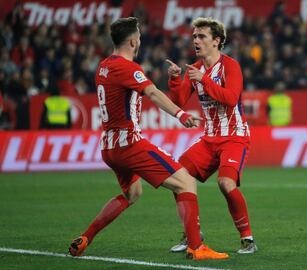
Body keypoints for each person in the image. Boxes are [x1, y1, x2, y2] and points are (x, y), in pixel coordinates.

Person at [68, 17, 228, 261]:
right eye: (139, 38)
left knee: (133, 193)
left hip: (108, 147)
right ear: (133, 41)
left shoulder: (103, 66)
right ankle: (197, 247)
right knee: (186, 181)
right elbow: (152, 92)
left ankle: (86, 237)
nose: (140, 42)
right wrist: (181, 114)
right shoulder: (128, 68)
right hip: (129, 144)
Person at [166, 17, 257, 254]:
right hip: (209, 138)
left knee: (226, 183)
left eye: (202, 36)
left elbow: (230, 98)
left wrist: (204, 81)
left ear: (216, 41)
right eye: (194, 36)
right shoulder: (194, 69)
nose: (196, 40)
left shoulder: (230, 66)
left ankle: (248, 239)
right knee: (178, 177)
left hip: (234, 136)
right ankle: (191, 235)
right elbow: (179, 101)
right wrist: (176, 79)